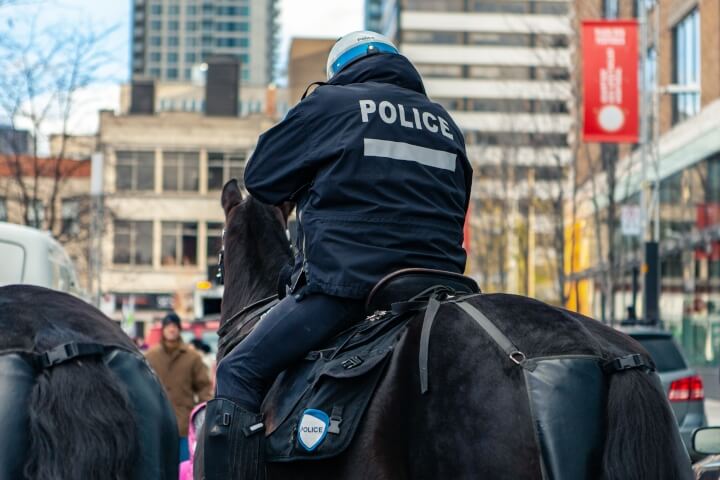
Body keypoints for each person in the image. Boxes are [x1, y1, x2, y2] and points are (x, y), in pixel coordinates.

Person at [204, 31, 472, 478]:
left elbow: (262, 178)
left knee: (237, 372)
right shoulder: (444, 122)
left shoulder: (332, 104)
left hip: (349, 287)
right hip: (440, 289)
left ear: (338, 73)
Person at [145, 312, 213, 462]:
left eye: (175, 326)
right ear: (163, 329)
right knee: (159, 467)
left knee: (183, 467)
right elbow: (142, 386)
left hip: (183, 422)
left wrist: (203, 412)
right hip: (157, 421)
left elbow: (203, 387)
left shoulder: (192, 357)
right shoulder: (150, 356)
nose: (171, 330)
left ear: (179, 329)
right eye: (168, 326)